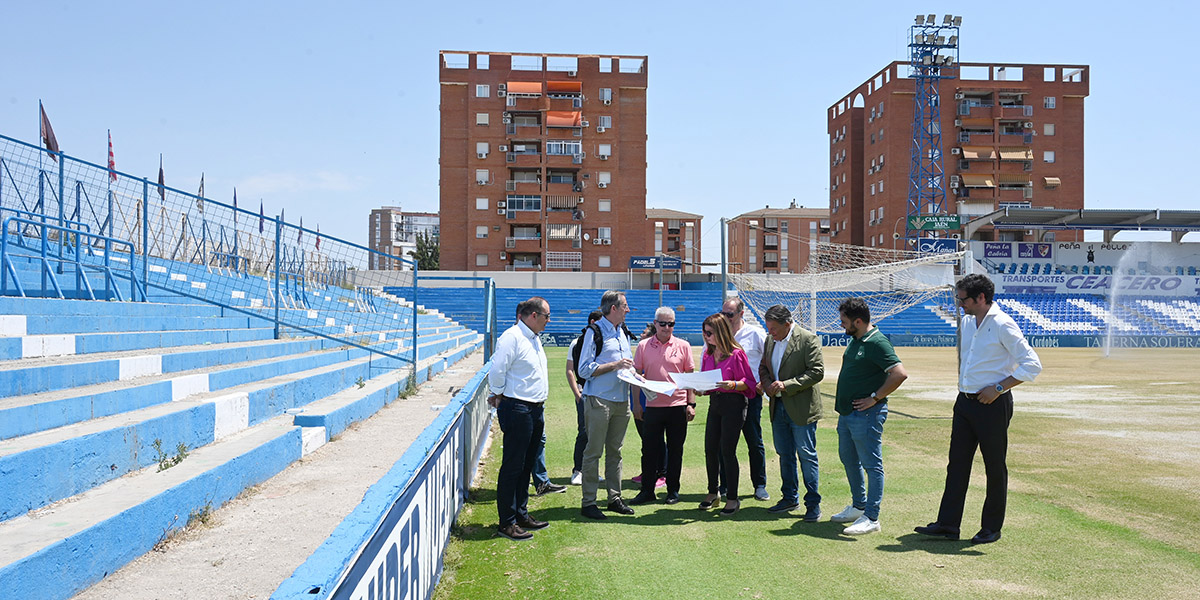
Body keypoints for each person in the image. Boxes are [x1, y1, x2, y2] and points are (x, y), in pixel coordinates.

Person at [916, 274, 1042, 545]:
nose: (960, 304)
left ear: (980, 298)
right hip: (964, 402)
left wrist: (998, 389)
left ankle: (991, 528)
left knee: (994, 467)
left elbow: (1032, 365)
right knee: (956, 465)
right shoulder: (969, 322)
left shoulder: (1003, 324)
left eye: (963, 299)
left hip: (992, 405)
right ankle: (948, 524)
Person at [832, 297, 908, 536]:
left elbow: (899, 373)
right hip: (847, 413)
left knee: (872, 465)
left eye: (844, 321)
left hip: (866, 415)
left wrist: (874, 397)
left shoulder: (877, 342)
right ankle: (858, 506)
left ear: (858, 320)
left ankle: (872, 517)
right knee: (848, 459)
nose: (841, 325)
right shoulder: (856, 338)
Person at [487, 297, 553, 541]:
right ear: (533, 315)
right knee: (513, 466)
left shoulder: (533, 338)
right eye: (547, 316)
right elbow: (497, 370)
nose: (549, 321)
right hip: (517, 408)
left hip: (534, 408)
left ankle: (521, 514)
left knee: (526, 464)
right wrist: (498, 393)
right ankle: (507, 522)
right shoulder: (512, 336)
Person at [757, 305, 825, 521]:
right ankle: (789, 498)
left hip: (802, 409)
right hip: (778, 408)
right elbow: (764, 369)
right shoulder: (770, 340)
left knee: (806, 456)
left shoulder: (807, 339)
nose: (770, 333)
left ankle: (812, 504)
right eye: (768, 328)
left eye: (774, 329)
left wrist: (787, 385)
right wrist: (768, 385)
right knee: (784, 454)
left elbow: (817, 371)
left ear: (788, 324)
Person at [578, 290, 637, 520]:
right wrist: (615, 365)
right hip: (599, 400)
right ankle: (589, 502)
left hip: (622, 401)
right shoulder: (594, 332)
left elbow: (625, 365)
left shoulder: (622, 331)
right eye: (625, 306)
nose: (628, 310)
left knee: (616, 452)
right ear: (613, 308)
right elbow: (584, 369)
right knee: (593, 452)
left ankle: (614, 498)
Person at [629, 308, 695, 506]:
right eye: (663, 323)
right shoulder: (643, 346)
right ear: (655, 323)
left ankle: (673, 490)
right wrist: (636, 405)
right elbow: (636, 376)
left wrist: (691, 404)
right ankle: (647, 490)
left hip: (677, 406)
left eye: (671, 324)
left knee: (676, 451)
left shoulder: (683, 346)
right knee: (649, 450)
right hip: (652, 407)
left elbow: (689, 377)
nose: (667, 328)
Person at [698, 314, 757, 516]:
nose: (706, 337)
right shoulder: (708, 354)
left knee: (727, 451)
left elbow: (749, 383)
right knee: (710, 448)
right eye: (704, 333)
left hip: (734, 404)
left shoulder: (737, 354)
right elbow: (707, 382)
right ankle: (713, 492)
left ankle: (732, 497)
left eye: (709, 333)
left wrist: (732, 384)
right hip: (715, 403)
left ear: (721, 332)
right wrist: (699, 388)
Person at [721, 298, 770, 501]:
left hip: (750, 396)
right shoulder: (719, 334)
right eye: (723, 313)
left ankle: (759, 485)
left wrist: (763, 383)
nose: (725, 318)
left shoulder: (756, 333)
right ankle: (724, 485)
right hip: (726, 397)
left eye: (729, 314)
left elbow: (769, 359)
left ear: (741, 314)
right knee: (724, 443)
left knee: (754, 440)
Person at [565, 310, 604, 485]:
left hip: (601, 394)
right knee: (584, 432)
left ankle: (592, 471)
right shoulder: (577, 342)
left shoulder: (603, 341)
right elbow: (569, 370)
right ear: (593, 322)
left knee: (598, 434)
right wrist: (577, 393)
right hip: (584, 394)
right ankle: (578, 470)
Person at [630, 322, 668, 490]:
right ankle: (648, 471)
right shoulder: (641, 350)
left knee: (657, 440)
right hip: (639, 402)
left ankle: (662, 472)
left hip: (650, 402)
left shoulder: (651, 351)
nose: (641, 335)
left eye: (644, 333)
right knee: (646, 440)